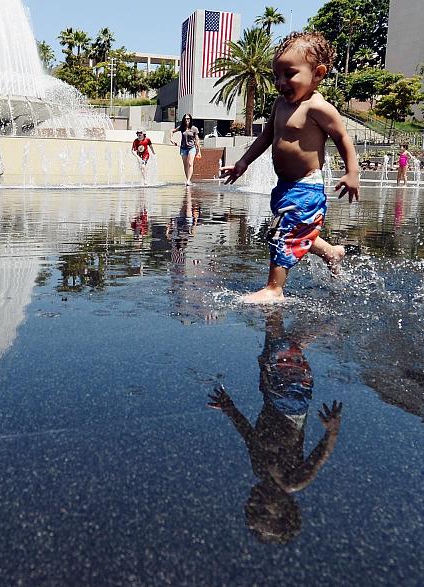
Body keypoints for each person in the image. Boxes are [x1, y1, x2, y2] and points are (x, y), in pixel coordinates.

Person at [220, 31, 360, 303]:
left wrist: (352, 172)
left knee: (283, 232)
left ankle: (274, 289)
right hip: (284, 187)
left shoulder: (318, 107)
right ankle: (331, 252)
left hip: (306, 187)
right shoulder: (280, 105)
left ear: (318, 73)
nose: (280, 82)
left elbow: (343, 138)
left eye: (289, 74)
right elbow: (266, 136)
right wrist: (243, 162)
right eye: (276, 76)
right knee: (296, 229)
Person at [207, 311, 342, 544]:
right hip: (291, 400)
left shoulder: (260, 471)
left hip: (271, 396)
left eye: (251, 509)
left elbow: (250, 437)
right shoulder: (292, 481)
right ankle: (292, 307)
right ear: (285, 508)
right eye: (262, 511)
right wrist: (332, 431)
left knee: (276, 345)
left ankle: (325, 315)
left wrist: (230, 409)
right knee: (279, 344)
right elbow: (320, 456)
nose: (254, 503)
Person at [171, 114, 202, 185]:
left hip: (191, 148)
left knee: (190, 163)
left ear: (190, 119)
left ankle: (188, 180)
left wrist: (199, 151)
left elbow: (197, 140)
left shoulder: (194, 129)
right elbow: (172, 131)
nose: (186, 120)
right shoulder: (182, 127)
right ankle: (188, 179)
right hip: (183, 148)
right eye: (185, 119)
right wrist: (171, 139)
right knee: (185, 165)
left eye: (188, 118)